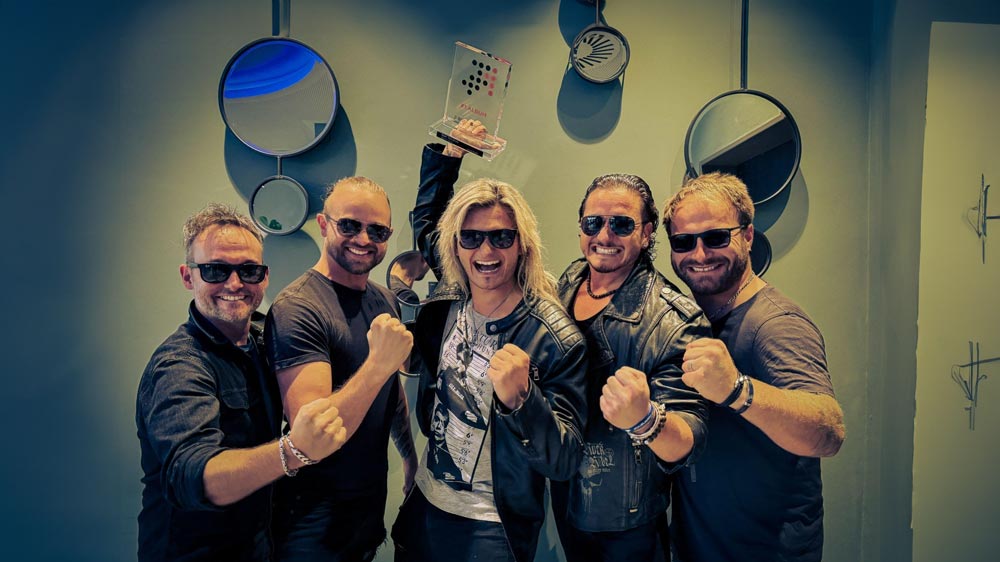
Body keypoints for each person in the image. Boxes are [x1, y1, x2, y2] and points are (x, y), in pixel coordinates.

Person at [391, 124, 588, 562]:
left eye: (501, 237)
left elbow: (565, 460)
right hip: (425, 504)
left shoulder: (554, 336)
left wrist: (523, 401)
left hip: (491, 526)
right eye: (471, 237)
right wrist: (449, 154)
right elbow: (427, 221)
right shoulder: (450, 298)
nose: (486, 251)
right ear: (455, 246)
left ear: (522, 246)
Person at [136, 204, 348, 562]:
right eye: (215, 270)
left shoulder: (266, 340)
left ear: (264, 277)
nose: (234, 284)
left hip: (258, 546)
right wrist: (293, 450)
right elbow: (196, 477)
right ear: (188, 277)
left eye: (248, 270)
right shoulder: (179, 366)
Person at [662, 172, 846, 562]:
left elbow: (829, 432)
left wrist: (737, 390)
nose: (699, 254)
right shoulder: (686, 320)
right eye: (684, 242)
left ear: (747, 235)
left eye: (716, 237)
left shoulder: (775, 324)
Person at [550, 174, 712, 561]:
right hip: (564, 494)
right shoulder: (570, 280)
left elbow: (690, 438)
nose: (604, 235)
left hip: (625, 521)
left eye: (622, 224)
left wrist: (645, 420)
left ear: (646, 233)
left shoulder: (675, 321)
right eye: (593, 223)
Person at [265, 177, 417, 562]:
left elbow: (390, 390)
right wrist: (378, 364)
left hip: (366, 513)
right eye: (349, 225)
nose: (363, 239)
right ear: (323, 224)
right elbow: (313, 434)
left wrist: (409, 457)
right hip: (313, 525)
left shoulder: (384, 300)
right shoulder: (299, 307)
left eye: (377, 230)